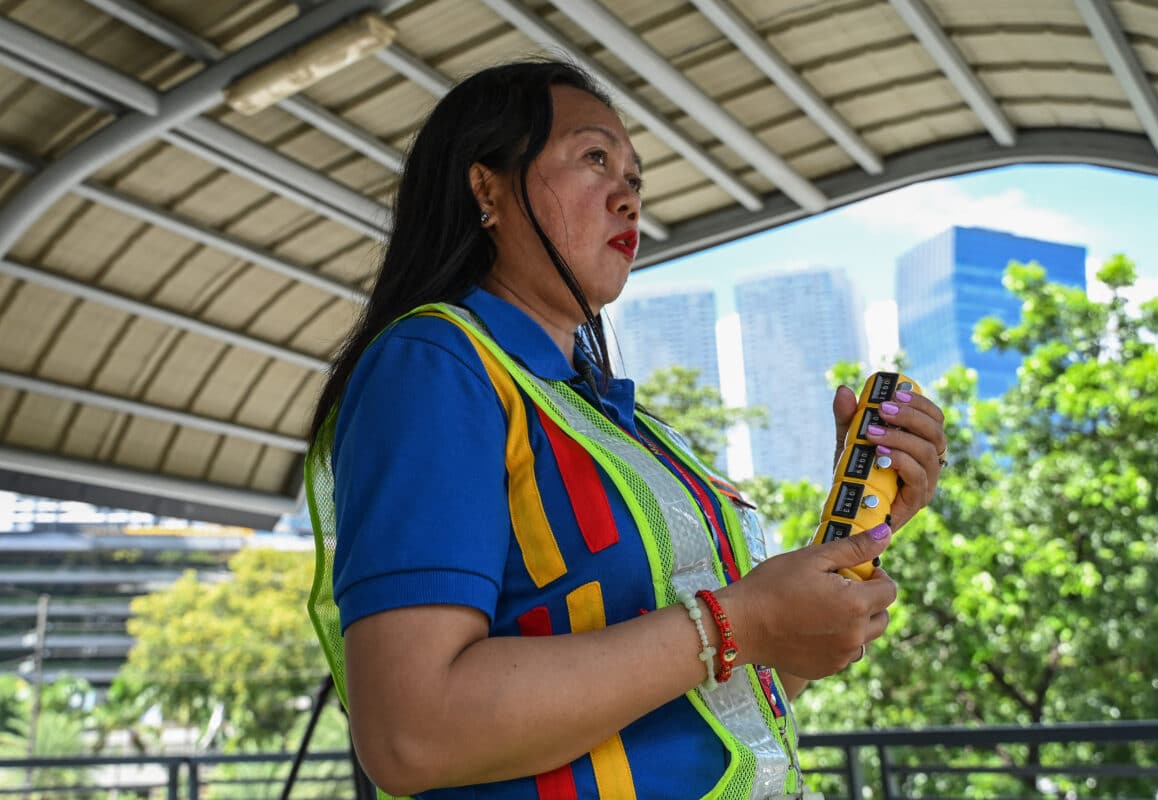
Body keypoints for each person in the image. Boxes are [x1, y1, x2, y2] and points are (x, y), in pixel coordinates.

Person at [304, 59, 947, 800]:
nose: (628, 197)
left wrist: (851, 542)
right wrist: (733, 622)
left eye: (635, 178)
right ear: (487, 188)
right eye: (595, 158)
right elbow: (412, 733)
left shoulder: (618, 421)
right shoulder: (436, 364)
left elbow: (711, 700)